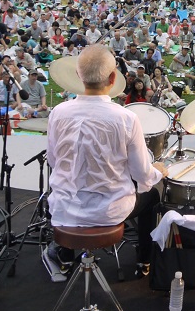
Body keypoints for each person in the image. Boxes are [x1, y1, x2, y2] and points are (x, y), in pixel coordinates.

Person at [43, 45, 166, 281]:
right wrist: (158, 171)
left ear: (78, 76)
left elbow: (54, 161)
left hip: (63, 207)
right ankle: (144, 260)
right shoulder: (126, 117)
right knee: (152, 194)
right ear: (112, 78)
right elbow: (142, 174)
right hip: (108, 212)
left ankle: (66, 257)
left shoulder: (57, 112)